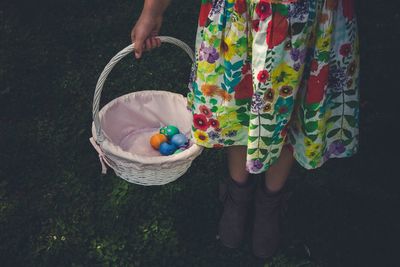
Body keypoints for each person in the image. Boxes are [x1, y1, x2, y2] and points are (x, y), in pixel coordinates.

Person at [131, 0, 359, 259]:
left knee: (288, 104)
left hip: (303, 12)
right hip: (241, 11)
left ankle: (268, 204)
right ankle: (238, 198)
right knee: (238, 102)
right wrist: (152, 11)